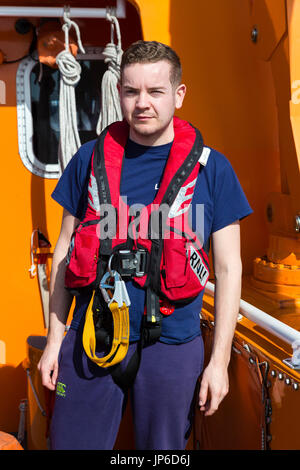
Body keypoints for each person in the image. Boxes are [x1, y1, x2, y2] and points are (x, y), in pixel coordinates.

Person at [38, 40, 252, 450]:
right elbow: (64, 252)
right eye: (131, 91)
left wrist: (219, 363)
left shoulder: (214, 170)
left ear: (178, 94)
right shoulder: (88, 160)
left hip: (171, 345)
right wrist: (53, 341)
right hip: (92, 337)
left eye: (155, 91)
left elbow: (228, 270)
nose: (142, 103)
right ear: (119, 92)